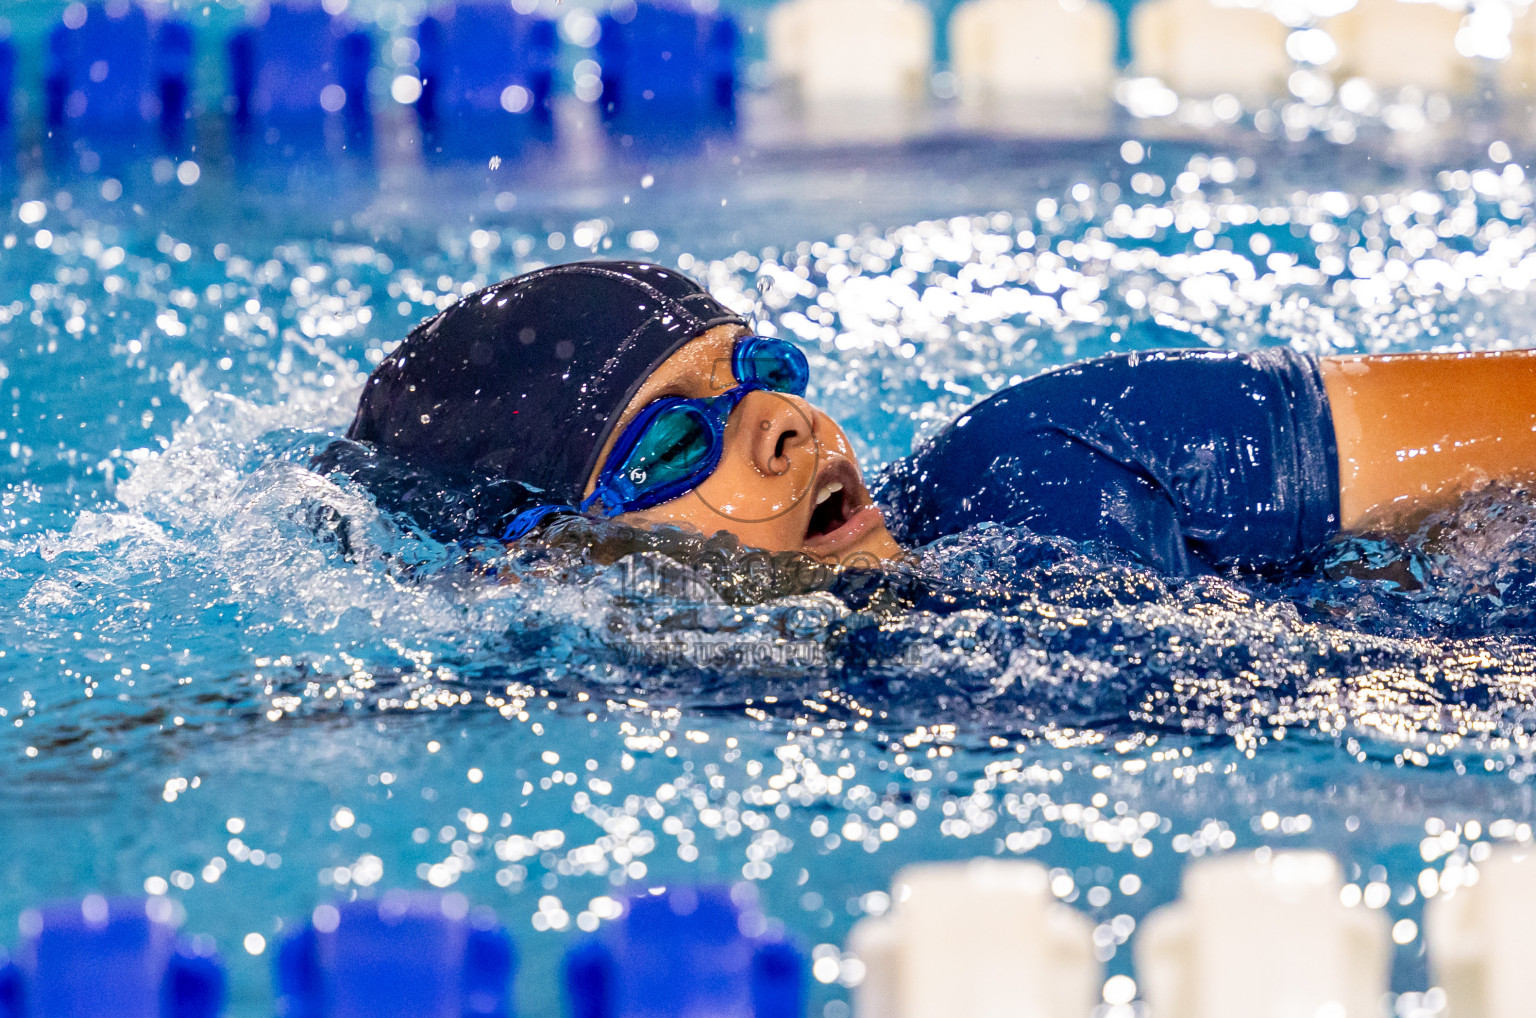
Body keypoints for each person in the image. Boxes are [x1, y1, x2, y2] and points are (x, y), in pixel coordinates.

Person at [315, 259, 1536, 577]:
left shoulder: (1061, 457)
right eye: (673, 438)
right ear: (545, 560)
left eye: (758, 370)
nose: (787, 428)